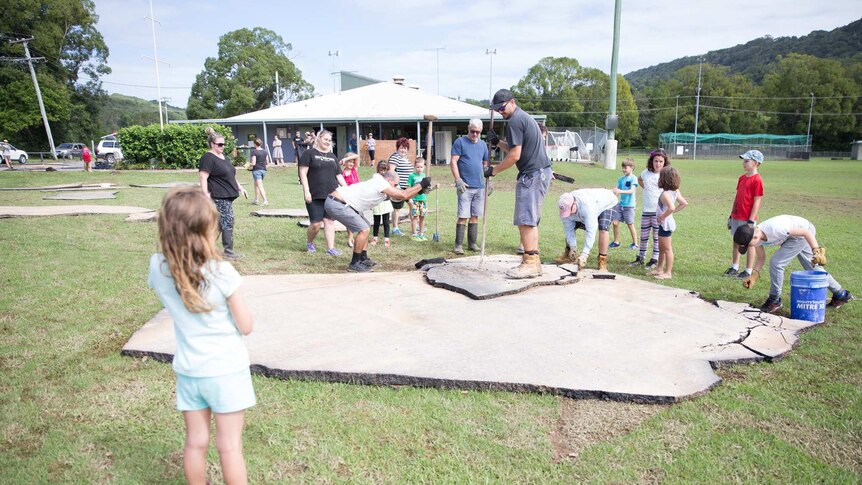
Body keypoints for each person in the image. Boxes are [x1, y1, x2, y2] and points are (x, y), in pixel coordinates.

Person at [147, 186, 255, 485]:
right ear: (208, 228)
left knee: (196, 441)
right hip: (226, 370)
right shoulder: (222, 273)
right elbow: (245, 325)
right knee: (229, 446)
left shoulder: (158, 267)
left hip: (189, 370)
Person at [484, 88, 553, 278]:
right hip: (539, 172)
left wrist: (494, 170)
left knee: (525, 220)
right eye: (497, 109)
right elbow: (515, 148)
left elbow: (515, 156)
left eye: (502, 107)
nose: (500, 112)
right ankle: (534, 261)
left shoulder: (515, 120)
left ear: (512, 102)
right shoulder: (522, 117)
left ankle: (529, 263)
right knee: (531, 220)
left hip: (531, 174)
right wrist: (498, 142)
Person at [734, 215, 853, 313]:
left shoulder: (776, 228)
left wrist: (816, 251)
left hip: (804, 231)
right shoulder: (756, 237)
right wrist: (754, 275)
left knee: (776, 262)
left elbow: (806, 233)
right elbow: (761, 258)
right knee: (812, 267)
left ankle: (774, 300)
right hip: (792, 237)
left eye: (750, 245)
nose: (751, 247)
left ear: (754, 236)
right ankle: (841, 294)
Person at [324, 170, 431, 272]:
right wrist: (421, 184)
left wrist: (419, 191)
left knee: (366, 226)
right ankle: (354, 263)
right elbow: (403, 194)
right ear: (388, 180)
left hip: (344, 203)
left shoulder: (381, 183)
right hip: (338, 203)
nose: (396, 187)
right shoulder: (380, 182)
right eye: (395, 185)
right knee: (364, 229)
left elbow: (402, 197)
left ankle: (363, 259)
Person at [199, 128, 248, 260]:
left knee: (219, 224)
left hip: (227, 195)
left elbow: (230, 175)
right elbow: (203, 177)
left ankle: (204, 249)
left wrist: (240, 187)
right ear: (211, 144)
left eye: (224, 144)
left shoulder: (223, 157)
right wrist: (205, 195)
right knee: (228, 221)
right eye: (220, 144)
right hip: (219, 196)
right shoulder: (208, 157)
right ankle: (228, 251)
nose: (223, 146)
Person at [299, 129, 345, 256]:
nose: (327, 142)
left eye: (329, 140)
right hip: (314, 194)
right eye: (325, 139)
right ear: (318, 138)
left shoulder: (333, 156)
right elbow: (303, 173)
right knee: (316, 223)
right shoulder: (309, 153)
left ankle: (330, 249)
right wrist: (306, 191)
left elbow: (339, 176)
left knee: (329, 222)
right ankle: (310, 242)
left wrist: (347, 190)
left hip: (332, 195)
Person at [556, 188, 623, 271]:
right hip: (591, 203)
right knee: (571, 225)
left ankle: (602, 261)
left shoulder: (587, 207)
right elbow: (568, 230)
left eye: (570, 211)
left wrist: (584, 255)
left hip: (607, 202)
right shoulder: (564, 206)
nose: (569, 214)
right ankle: (569, 255)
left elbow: (591, 231)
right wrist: (573, 248)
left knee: (603, 228)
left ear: (574, 203)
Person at [450, 118, 490, 254]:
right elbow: (453, 161)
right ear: (468, 128)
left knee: (475, 216)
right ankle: (458, 245)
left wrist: (488, 182)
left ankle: (472, 243)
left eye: (478, 132)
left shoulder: (483, 145)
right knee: (463, 216)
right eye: (472, 131)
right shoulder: (459, 142)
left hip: (479, 186)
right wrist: (458, 180)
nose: (475, 134)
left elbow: (485, 165)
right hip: (465, 186)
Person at [724, 149, 765, 279]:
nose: (744, 163)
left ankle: (748, 270)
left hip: (748, 218)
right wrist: (731, 215)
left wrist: (751, 220)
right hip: (737, 215)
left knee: (749, 244)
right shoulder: (742, 178)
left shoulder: (757, 180)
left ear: (756, 163)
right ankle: (735, 267)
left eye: (747, 161)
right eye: (744, 161)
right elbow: (738, 197)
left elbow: (757, 200)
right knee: (736, 241)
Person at [629, 149, 669, 270]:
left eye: (661, 161)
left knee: (657, 237)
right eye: (656, 161)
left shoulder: (665, 174)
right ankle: (640, 257)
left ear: (664, 162)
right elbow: (639, 179)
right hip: (646, 210)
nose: (658, 164)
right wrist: (645, 187)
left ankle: (654, 259)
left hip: (659, 212)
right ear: (651, 161)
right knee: (644, 235)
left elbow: (672, 190)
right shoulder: (646, 172)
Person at [651, 167, 689, 280]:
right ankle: (659, 269)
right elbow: (684, 203)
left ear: (664, 179)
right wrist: (671, 213)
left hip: (665, 225)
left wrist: (663, 216)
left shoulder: (665, 195)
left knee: (667, 249)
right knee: (661, 247)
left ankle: (668, 272)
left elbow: (671, 208)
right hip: (666, 223)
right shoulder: (675, 191)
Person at [611, 158, 639, 250]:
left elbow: (632, 191)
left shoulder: (633, 178)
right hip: (620, 205)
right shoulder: (620, 179)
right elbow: (616, 190)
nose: (623, 169)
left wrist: (620, 191)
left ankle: (635, 244)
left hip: (629, 206)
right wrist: (612, 191)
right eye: (622, 167)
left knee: (630, 224)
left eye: (625, 167)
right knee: (615, 223)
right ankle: (616, 242)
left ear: (632, 168)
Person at [388, 137, 413, 237]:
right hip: (399, 188)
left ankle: (415, 226)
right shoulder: (395, 157)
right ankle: (395, 228)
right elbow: (391, 172)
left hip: (407, 188)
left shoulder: (405, 158)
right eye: (402, 147)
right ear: (398, 148)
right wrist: (396, 187)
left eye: (405, 148)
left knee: (413, 206)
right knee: (397, 208)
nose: (403, 150)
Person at [370, 160, 394, 248]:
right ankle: (375, 237)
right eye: (381, 170)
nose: (383, 172)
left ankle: (387, 239)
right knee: (376, 221)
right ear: (378, 170)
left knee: (386, 222)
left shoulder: (388, 179)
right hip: (377, 203)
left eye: (385, 170)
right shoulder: (375, 178)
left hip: (386, 202)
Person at [341, 152, 360, 247]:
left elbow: (357, 156)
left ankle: (357, 236)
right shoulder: (342, 173)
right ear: (345, 163)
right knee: (349, 218)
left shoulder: (354, 169)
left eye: (352, 162)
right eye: (349, 162)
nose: (351, 164)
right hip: (349, 197)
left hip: (358, 196)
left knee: (357, 216)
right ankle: (350, 237)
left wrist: (346, 159)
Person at [408, 157, 429, 240]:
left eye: (421, 167)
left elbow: (427, 189)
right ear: (414, 167)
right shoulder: (412, 176)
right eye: (417, 167)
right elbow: (409, 188)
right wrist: (409, 198)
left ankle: (421, 233)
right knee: (415, 217)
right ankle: (414, 234)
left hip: (423, 200)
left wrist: (435, 187)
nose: (419, 169)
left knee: (422, 217)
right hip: (415, 200)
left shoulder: (425, 176)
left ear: (424, 167)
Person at [249, 138, 270, 206]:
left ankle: (265, 200)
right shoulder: (265, 152)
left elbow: (253, 163)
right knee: (256, 185)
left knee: (260, 186)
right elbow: (267, 162)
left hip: (257, 170)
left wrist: (247, 164)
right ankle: (256, 200)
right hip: (263, 170)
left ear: (255, 144)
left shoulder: (254, 152)